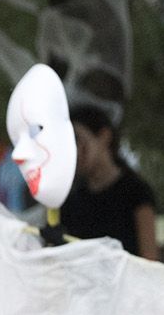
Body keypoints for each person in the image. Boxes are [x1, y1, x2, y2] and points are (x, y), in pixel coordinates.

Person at [58, 102, 158, 259]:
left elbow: (150, 258)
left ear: (104, 136)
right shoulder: (69, 200)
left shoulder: (136, 192)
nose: (73, 150)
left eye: (78, 139)